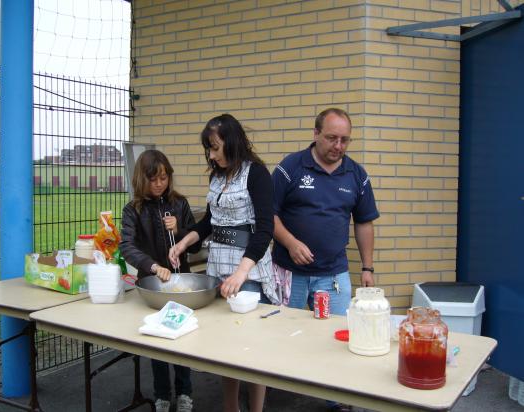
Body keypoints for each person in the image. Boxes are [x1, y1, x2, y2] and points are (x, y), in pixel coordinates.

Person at [169, 113, 278, 412]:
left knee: (251, 345)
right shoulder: (216, 176)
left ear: (232, 142)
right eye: (209, 149)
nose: (212, 155)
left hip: (249, 268)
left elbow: (265, 229)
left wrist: (242, 273)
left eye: (215, 147)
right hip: (219, 267)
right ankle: (231, 408)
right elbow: (209, 222)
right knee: (226, 347)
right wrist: (184, 242)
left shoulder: (256, 174)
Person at [272, 108, 379, 410]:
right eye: (332, 138)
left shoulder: (356, 175)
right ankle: (280, 393)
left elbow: (364, 221)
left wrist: (368, 267)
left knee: (337, 338)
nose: (338, 146)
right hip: (289, 272)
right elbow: (269, 213)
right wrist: (290, 242)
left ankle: (337, 400)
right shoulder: (290, 168)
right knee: (284, 333)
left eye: (345, 140)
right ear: (316, 133)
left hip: (333, 275)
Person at [119, 149, 200, 412]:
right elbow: (127, 246)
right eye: (153, 179)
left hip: (181, 284)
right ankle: (162, 395)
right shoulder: (133, 209)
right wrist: (153, 266)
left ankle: (185, 392)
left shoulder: (180, 203)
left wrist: (179, 229)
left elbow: (196, 245)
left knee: (181, 337)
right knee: (157, 339)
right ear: (141, 179)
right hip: (151, 285)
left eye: (164, 178)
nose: (159, 184)